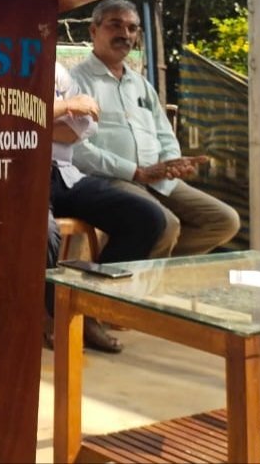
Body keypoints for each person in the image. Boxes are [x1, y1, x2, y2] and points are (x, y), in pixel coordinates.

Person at [71, 0, 241, 257]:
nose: (125, 34)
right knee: (166, 225)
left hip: (158, 179)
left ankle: (150, 264)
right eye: (115, 25)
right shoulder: (76, 81)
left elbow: (164, 133)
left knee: (224, 221)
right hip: (111, 179)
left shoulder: (140, 84)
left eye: (132, 28)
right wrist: (136, 172)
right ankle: (144, 272)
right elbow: (77, 150)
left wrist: (171, 164)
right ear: (93, 31)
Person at [45, 62, 168, 353]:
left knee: (147, 218)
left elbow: (85, 127)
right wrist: (66, 107)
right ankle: (57, 318)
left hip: (65, 174)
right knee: (44, 234)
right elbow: (9, 117)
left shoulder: (57, 71)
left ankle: (90, 309)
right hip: (19, 176)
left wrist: (45, 121)